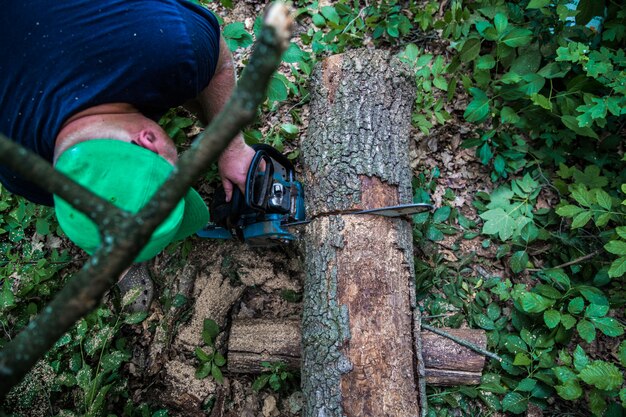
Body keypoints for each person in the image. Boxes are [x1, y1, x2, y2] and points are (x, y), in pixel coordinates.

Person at [0, 1, 256, 308]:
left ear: (146, 140)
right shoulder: (22, 172)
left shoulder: (167, 45)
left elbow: (217, 62)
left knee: (187, 77)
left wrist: (232, 148)